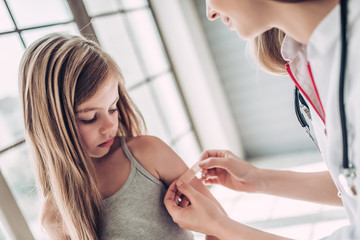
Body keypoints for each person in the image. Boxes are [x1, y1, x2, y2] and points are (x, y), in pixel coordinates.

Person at [164, 0, 360, 239]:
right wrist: (257, 179)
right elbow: (353, 184)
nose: (210, 12)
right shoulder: (317, 57)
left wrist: (220, 226)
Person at [18, 33, 225, 240]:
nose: (109, 126)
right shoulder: (55, 215)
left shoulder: (149, 153)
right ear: (53, 125)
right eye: (90, 118)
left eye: (113, 108)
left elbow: (219, 224)